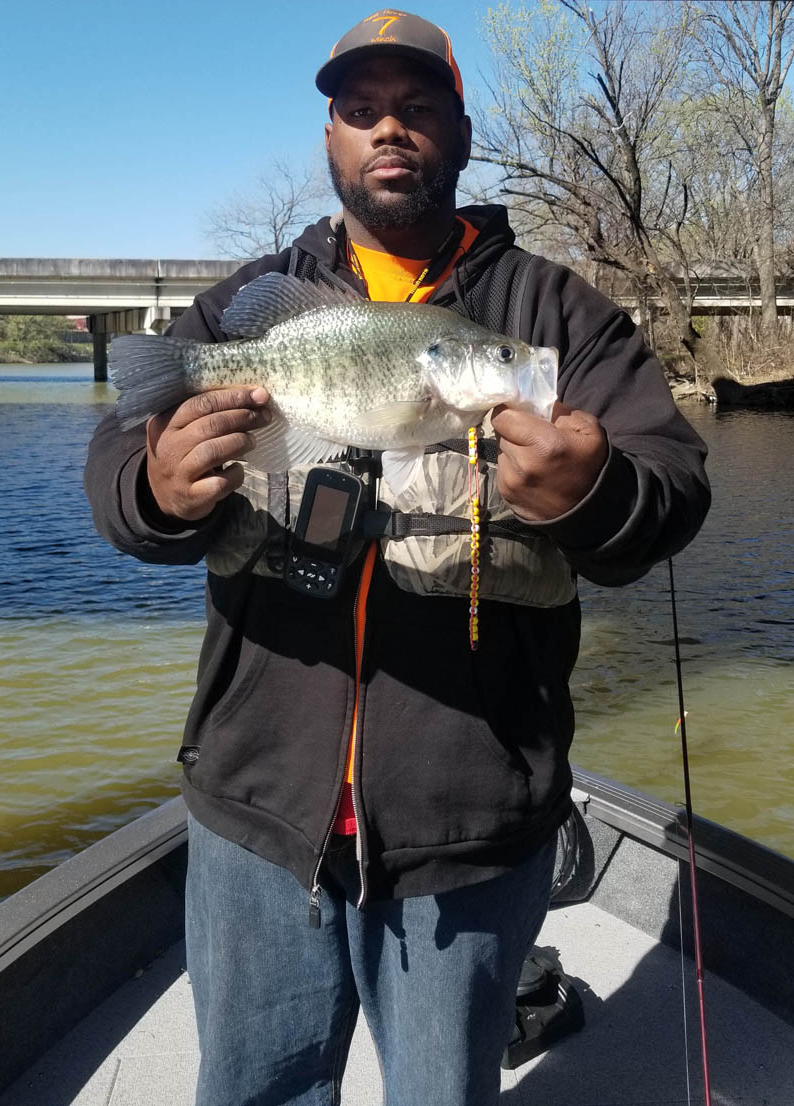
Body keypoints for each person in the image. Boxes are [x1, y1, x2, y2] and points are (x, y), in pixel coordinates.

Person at [85, 10, 710, 1105]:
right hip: (253, 809)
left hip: (464, 822)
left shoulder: (553, 314)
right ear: (328, 136)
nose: (389, 129)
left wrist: (599, 491)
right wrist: (152, 485)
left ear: (460, 134)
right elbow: (113, 472)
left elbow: (672, 484)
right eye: (360, 109)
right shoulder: (247, 301)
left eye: (417, 108)